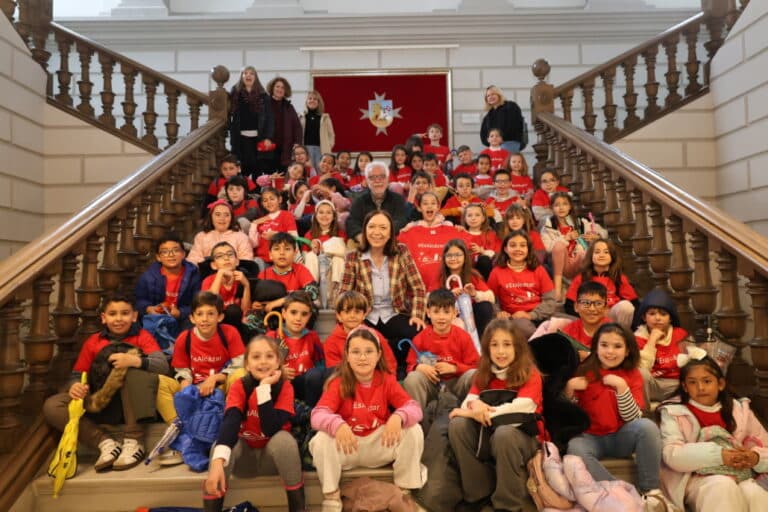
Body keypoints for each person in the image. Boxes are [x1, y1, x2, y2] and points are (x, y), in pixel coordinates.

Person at [43, 293, 169, 472]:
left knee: (130, 372)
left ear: (134, 316)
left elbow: (163, 365)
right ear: (104, 318)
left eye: (125, 313)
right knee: (52, 405)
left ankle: (134, 440)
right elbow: (78, 373)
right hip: (100, 400)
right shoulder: (94, 341)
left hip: (133, 404)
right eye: (112, 314)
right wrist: (75, 386)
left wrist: (134, 361)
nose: (118, 319)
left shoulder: (143, 337)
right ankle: (105, 443)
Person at [309, 328, 425, 512]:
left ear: (378, 355)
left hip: (379, 445)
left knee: (413, 430)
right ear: (347, 356)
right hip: (348, 447)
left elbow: (415, 408)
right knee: (321, 439)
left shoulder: (386, 380)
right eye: (356, 352)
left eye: (369, 351)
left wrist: (398, 416)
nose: (362, 357)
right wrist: (337, 424)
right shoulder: (339, 382)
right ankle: (332, 497)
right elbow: (317, 415)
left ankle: (404, 492)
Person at [565, 323, 668, 503]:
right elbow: (568, 416)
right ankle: (620, 491)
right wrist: (569, 389)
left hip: (621, 436)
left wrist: (622, 387)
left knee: (647, 427)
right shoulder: (582, 372)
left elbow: (633, 418)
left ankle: (650, 491)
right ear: (596, 347)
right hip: (589, 437)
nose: (610, 351)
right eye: (604, 345)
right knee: (575, 447)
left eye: (617, 346)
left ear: (627, 351)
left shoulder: (633, 374)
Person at [448, 318, 543, 512]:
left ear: (517, 347)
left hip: (524, 437)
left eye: (507, 344)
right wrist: (474, 406)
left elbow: (521, 408)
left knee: (504, 434)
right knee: (457, 425)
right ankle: (477, 494)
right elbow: (468, 401)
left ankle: (508, 505)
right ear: (487, 348)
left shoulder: (530, 373)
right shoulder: (483, 373)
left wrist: (477, 412)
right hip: (489, 433)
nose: (501, 351)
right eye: (494, 345)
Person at [203, 335, 308, 512]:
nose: (263, 362)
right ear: (247, 364)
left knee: (284, 440)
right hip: (245, 460)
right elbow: (231, 421)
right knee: (219, 448)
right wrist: (217, 462)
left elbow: (269, 429)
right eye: (256, 356)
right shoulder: (240, 386)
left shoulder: (285, 388)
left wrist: (264, 388)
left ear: (278, 362)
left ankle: (299, 508)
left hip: (273, 460)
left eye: (269, 356)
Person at [659, 354, 768, 511]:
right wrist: (719, 456)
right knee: (722, 485)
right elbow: (672, 454)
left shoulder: (739, 410)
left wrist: (755, 457)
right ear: (684, 387)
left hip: (742, 474)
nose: (700, 388)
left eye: (707, 381)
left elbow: (765, 445)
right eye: (692, 382)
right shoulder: (674, 412)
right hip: (698, 479)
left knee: (755, 492)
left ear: (721, 384)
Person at [155, 292, 245, 465]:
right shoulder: (185, 338)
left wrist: (215, 379)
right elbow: (182, 369)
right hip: (195, 387)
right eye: (200, 314)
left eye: (211, 314)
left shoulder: (229, 333)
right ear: (192, 317)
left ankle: (228, 428)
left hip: (220, 386)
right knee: (159, 382)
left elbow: (239, 364)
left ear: (220, 317)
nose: (205, 319)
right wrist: (186, 387)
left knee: (241, 375)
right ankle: (183, 433)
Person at [339, 210, 426, 379]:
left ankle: (405, 371)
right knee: (361, 339)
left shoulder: (401, 251)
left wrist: (417, 315)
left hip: (394, 312)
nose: (377, 232)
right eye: (372, 227)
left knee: (416, 332)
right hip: (366, 316)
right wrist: (348, 318)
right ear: (365, 230)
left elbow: (418, 287)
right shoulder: (353, 257)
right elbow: (344, 293)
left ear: (390, 232)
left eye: (383, 227)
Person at [403, 288, 480, 411]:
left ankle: (470, 412)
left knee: (474, 375)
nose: (441, 317)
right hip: (432, 385)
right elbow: (410, 366)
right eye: (436, 312)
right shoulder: (420, 338)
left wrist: (454, 368)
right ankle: (418, 417)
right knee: (412, 378)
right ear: (428, 313)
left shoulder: (463, 336)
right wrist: (419, 367)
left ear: (454, 313)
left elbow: (476, 366)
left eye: (446, 312)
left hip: (457, 384)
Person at [487, 231, 556, 339]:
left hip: (540, 314)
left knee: (568, 324)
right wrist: (499, 313)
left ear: (528, 249)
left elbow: (550, 301)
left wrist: (531, 315)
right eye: (513, 245)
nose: (518, 249)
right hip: (516, 319)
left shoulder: (539, 270)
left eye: (522, 245)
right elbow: (490, 300)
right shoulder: (496, 272)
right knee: (525, 329)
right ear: (505, 249)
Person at [540, 191, 606, 301]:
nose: (561, 208)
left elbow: (603, 232)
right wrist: (565, 238)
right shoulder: (548, 226)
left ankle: (589, 289)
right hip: (560, 264)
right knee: (559, 246)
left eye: (565, 204)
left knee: (584, 253)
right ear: (552, 208)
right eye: (557, 205)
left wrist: (596, 237)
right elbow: (548, 249)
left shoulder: (580, 222)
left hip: (578, 262)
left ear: (570, 206)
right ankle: (557, 290)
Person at [266, 291, 324, 406]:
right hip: (281, 386)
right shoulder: (272, 336)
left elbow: (321, 366)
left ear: (309, 316)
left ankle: (310, 412)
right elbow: (262, 367)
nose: (298, 318)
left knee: (315, 376)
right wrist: (278, 371)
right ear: (284, 313)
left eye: (304, 314)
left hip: (306, 386)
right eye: (293, 312)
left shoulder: (312, 337)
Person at [398, 191, 466, 291]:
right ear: (419, 208)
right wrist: (403, 233)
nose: (429, 206)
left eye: (433, 203)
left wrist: (463, 231)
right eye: (425, 203)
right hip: (417, 288)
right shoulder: (409, 230)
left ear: (438, 207)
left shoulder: (451, 228)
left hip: (446, 288)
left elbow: (470, 245)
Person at [565, 238, 638, 330]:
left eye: (606, 252)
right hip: (588, 316)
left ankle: (620, 335)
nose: (601, 255)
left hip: (612, 318)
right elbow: (569, 305)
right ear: (591, 256)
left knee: (626, 306)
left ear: (612, 256)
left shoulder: (619, 278)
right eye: (597, 252)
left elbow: (634, 304)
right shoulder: (581, 278)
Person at [633, 288, 690, 404]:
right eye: (652, 313)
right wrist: (652, 340)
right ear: (644, 317)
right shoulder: (637, 338)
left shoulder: (680, 334)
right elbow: (643, 368)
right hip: (653, 384)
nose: (657, 318)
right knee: (640, 372)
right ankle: (644, 411)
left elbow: (690, 360)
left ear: (670, 318)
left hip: (676, 384)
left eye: (663, 314)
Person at [135, 232, 200, 327]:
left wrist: (180, 312)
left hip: (183, 319)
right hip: (155, 318)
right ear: (158, 257)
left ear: (183, 254)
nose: (171, 255)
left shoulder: (193, 276)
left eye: (176, 250)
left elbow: (198, 304)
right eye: (165, 252)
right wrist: (149, 309)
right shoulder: (148, 276)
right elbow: (139, 301)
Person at [533, 281, 611, 360]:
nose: (592, 308)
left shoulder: (612, 329)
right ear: (576, 307)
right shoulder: (570, 330)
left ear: (605, 308)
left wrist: (588, 355)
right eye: (585, 303)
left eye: (598, 303)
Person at [324, 291, 397, 371]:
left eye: (357, 312)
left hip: (375, 377)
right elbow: (334, 370)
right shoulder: (331, 341)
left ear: (364, 315)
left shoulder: (376, 336)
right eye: (347, 312)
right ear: (339, 316)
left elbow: (390, 365)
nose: (352, 316)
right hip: (345, 377)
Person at [438, 238, 495, 338]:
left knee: (485, 307)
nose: (453, 258)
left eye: (458, 255)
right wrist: (449, 296)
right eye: (449, 255)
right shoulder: (440, 277)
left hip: (471, 317)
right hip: (449, 316)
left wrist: (474, 294)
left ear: (465, 257)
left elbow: (491, 297)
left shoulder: (473, 275)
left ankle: (480, 342)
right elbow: (430, 299)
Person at [345, 161, 409, 245]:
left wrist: (382, 234)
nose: (378, 181)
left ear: (388, 179)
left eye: (382, 176)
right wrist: (361, 236)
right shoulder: (359, 200)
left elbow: (401, 221)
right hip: (366, 241)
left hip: (390, 241)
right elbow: (352, 222)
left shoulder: (398, 199)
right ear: (367, 181)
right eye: (372, 177)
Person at [228, 67, 273, 179]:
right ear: (241, 76)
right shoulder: (235, 94)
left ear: (255, 77)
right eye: (245, 73)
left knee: (257, 169)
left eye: (251, 73)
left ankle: (256, 189)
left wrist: (268, 137)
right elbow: (227, 113)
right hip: (240, 139)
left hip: (259, 138)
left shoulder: (264, 96)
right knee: (241, 170)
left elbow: (269, 118)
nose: (248, 75)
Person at [302, 199, 347, 309]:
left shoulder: (340, 233)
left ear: (334, 216)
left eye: (328, 212)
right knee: (310, 256)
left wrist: (322, 248)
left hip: (333, 268)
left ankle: (337, 294)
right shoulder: (309, 235)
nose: (324, 216)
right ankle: (312, 292)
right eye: (321, 212)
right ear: (316, 215)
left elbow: (345, 254)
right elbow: (304, 256)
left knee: (338, 259)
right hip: (316, 266)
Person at [256, 233, 319, 312]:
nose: (282, 253)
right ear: (270, 254)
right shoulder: (263, 275)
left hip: (295, 312)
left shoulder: (300, 270)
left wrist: (282, 301)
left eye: (287, 249)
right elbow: (258, 300)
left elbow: (313, 292)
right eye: (277, 249)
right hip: (271, 313)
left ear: (295, 253)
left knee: (310, 308)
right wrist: (256, 304)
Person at [201, 242, 252, 332]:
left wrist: (246, 285)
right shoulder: (208, 280)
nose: (226, 258)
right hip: (215, 322)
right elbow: (209, 304)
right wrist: (220, 274)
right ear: (213, 265)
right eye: (220, 256)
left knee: (234, 311)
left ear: (237, 261)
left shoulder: (241, 279)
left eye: (230, 254)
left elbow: (245, 311)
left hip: (237, 322)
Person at [187, 199, 254, 265]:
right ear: (211, 217)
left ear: (231, 218)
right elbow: (193, 259)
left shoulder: (241, 237)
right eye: (218, 215)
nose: (222, 218)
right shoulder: (201, 236)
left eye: (226, 215)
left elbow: (246, 261)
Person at [248, 186, 298, 269]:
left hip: (280, 258)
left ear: (279, 199)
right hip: (262, 259)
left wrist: (276, 235)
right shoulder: (261, 220)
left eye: (272, 199)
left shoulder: (287, 215)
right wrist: (254, 224)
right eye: (265, 200)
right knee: (256, 262)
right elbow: (253, 244)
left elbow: (294, 237)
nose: (268, 202)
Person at [265, 77, 302, 171]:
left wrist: (297, 142)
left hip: (285, 149)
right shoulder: (264, 104)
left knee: (283, 174)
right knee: (269, 175)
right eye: (277, 86)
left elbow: (297, 127)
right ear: (272, 88)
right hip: (267, 148)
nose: (280, 89)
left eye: (282, 87)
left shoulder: (289, 107)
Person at [480, 85, 525, 154]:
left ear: (499, 95)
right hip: (494, 145)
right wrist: (491, 142)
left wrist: (499, 139)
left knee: (502, 154)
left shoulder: (511, 106)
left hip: (510, 142)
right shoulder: (488, 116)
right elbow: (483, 134)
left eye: (493, 94)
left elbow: (514, 126)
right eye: (488, 96)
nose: (490, 97)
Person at [462, 203, 500, 281]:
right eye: (469, 215)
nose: (473, 218)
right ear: (465, 218)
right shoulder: (460, 234)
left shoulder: (490, 235)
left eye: (477, 215)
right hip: (466, 270)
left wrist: (482, 251)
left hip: (485, 271)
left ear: (483, 218)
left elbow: (496, 254)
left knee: (484, 260)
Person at [299, 90, 335, 171]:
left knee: (321, 171)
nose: (312, 100)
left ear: (318, 102)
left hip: (321, 149)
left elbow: (331, 135)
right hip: (305, 149)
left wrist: (328, 146)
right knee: (307, 171)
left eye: (315, 99)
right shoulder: (301, 116)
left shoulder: (325, 117)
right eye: (310, 98)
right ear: (306, 101)